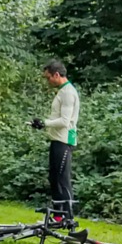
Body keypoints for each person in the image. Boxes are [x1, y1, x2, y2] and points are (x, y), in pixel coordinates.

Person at [31, 59, 80, 210]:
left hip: (64, 140)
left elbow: (65, 121)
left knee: (62, 180)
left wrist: (44, 122)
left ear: (57, 74)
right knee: (54, 178)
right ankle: (58, 215)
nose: (48, 81)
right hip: (57, 139)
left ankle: (68, 216)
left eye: (49, 77)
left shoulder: (68, 93)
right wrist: (42, 125)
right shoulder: (62, 91)